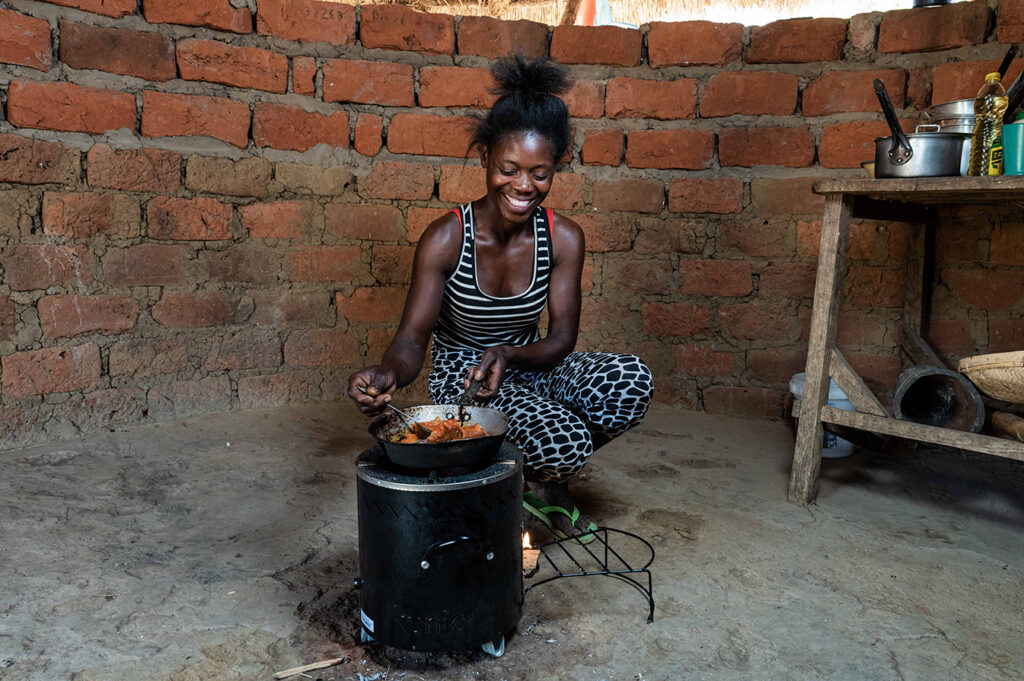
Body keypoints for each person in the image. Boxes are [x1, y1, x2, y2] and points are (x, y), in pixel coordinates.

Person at [347, 55, 653, 542]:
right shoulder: (447, 238)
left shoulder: (563, 238)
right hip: (466, 378)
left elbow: (562, 340)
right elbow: (410, 338)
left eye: (540, 173)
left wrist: (509, 353)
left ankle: (539, 477)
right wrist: (386, 373)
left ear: (556, 168)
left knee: (629, 382)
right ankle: (518, 476)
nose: (523, 186)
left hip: (527, 360)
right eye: (509, 169)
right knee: (564, 438)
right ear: (485, 157)